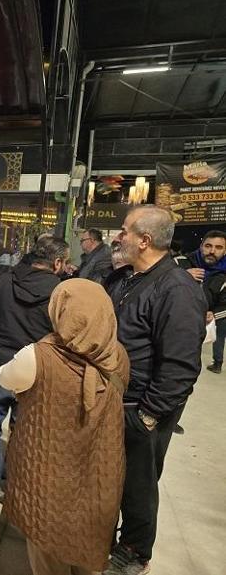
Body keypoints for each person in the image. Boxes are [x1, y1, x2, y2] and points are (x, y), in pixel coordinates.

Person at [0, 279, 130, 575]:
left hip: (46, 479)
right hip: (98, 474)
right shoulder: (118, 355)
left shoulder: (38, 357)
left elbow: (4, 378)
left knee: (48, 557)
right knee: (86, 548)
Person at [104, 205, 207, 575]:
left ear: (144, 240)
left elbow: (180, 366)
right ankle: (104, 534)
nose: (119, 236)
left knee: (138, 482)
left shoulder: (177, 290)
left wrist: (148, 414)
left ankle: (134, 551)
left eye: (125, 231)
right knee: (111, 475)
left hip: (144, 408)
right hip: (114, 398)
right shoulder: (125, 278)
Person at [0, 235, 70, 506]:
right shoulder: (62, 293)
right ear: (56, 262)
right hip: (36, 373)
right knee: (25, 428)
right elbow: (67, 337)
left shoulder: (1, 283)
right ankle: (18, 481)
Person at [172, 230, 226, 373]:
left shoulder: (224, 275)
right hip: (171, 323)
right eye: (208, 246)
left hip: (199, 331)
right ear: (201, 246)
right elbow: (157, 282)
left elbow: (224, 305)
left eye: (218, 247)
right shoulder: (180, 262)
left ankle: (217, 362)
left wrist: (213, 314)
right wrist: (182, 275)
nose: (212, 251)